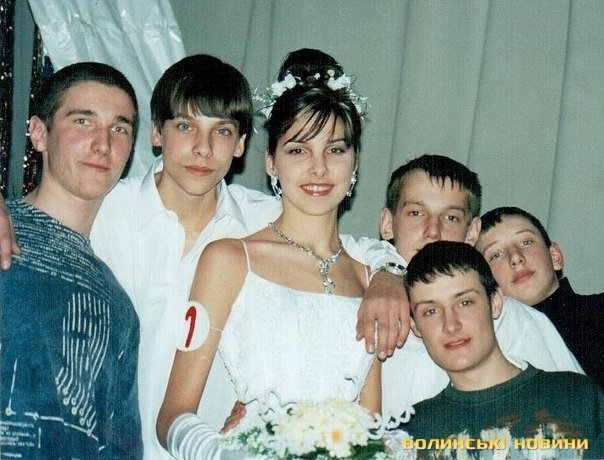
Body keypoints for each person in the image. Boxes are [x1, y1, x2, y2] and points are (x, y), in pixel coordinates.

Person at [0, 54, 404, 458]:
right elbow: (45, 216)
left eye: (222, 131)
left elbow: (339, 248)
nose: (203, 149)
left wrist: (388, 274)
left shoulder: (263, 218)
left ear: (241, 144)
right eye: (185, 126)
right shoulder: (106, 207)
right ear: (156, 133)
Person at [156, 48, 380, 459]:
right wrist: (226, 454)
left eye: (335, 150)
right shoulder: (228, 259)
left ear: (355, 165)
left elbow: (369, 426)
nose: (318, 169)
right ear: (271, 163)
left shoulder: (372, 278)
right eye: (298, 150)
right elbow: (172, 416)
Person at [0, 62, 142, 458]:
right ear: (39, 133)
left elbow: (119, 448)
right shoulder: (5, 233)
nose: (103, 144)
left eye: (119, 129)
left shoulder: (119, 305)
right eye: (83, 121)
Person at [378, 154, 583, 424]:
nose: (433, 231)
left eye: (451, 217)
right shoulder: (361, 315)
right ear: (388, 224)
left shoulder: (517, 322)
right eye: (416, 213)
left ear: (472, 232)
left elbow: (576, 419)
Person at [401, 241, 603, 459]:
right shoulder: (409, 434)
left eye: (465, 303)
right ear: (415, 327)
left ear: (495, 302)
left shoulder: (576, 397)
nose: (451, 325)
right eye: (430, 311)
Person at [477, 206, 603, 387]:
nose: (515, 257)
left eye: (526, 242)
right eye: (496, 254)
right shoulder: (490, 354)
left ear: (555, 256)